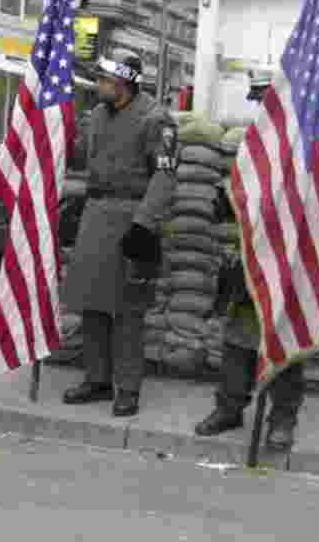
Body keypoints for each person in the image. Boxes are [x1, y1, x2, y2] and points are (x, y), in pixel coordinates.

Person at [61, 50, 178, 417]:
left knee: (128, 311)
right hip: (95, 214)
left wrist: (144, 223)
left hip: (132, 219)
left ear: (125, 82)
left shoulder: (156, 119)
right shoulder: (96, 115)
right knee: (92, 305)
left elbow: (165, 174)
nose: (99, 86)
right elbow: (81, 155)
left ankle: (127, 387)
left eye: (105, 80)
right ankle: (96, 379)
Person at [193, 75, 305, 451]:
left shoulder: (301, 145)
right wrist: (226, 200)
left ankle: (282, 419)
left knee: (282, 340)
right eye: (257, 101)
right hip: (248, 252)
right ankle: (229, 407)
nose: (259, 108)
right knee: (239, 338)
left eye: (264, 101)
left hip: (286, 255)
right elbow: (239, 190)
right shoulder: (253, 144)